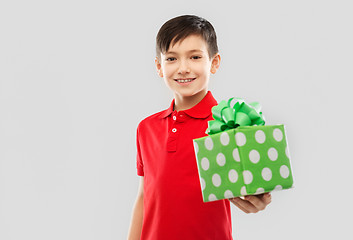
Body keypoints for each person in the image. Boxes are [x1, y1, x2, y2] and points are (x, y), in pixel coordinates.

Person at [127, 15, 272, 240]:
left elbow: (256, 186)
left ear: (214, 62)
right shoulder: (146, 128)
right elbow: (144, 198)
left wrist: (258, 199)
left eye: (195, 57)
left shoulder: (230, 124)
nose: (183, 68)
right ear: (159, 66)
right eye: (172, 59)